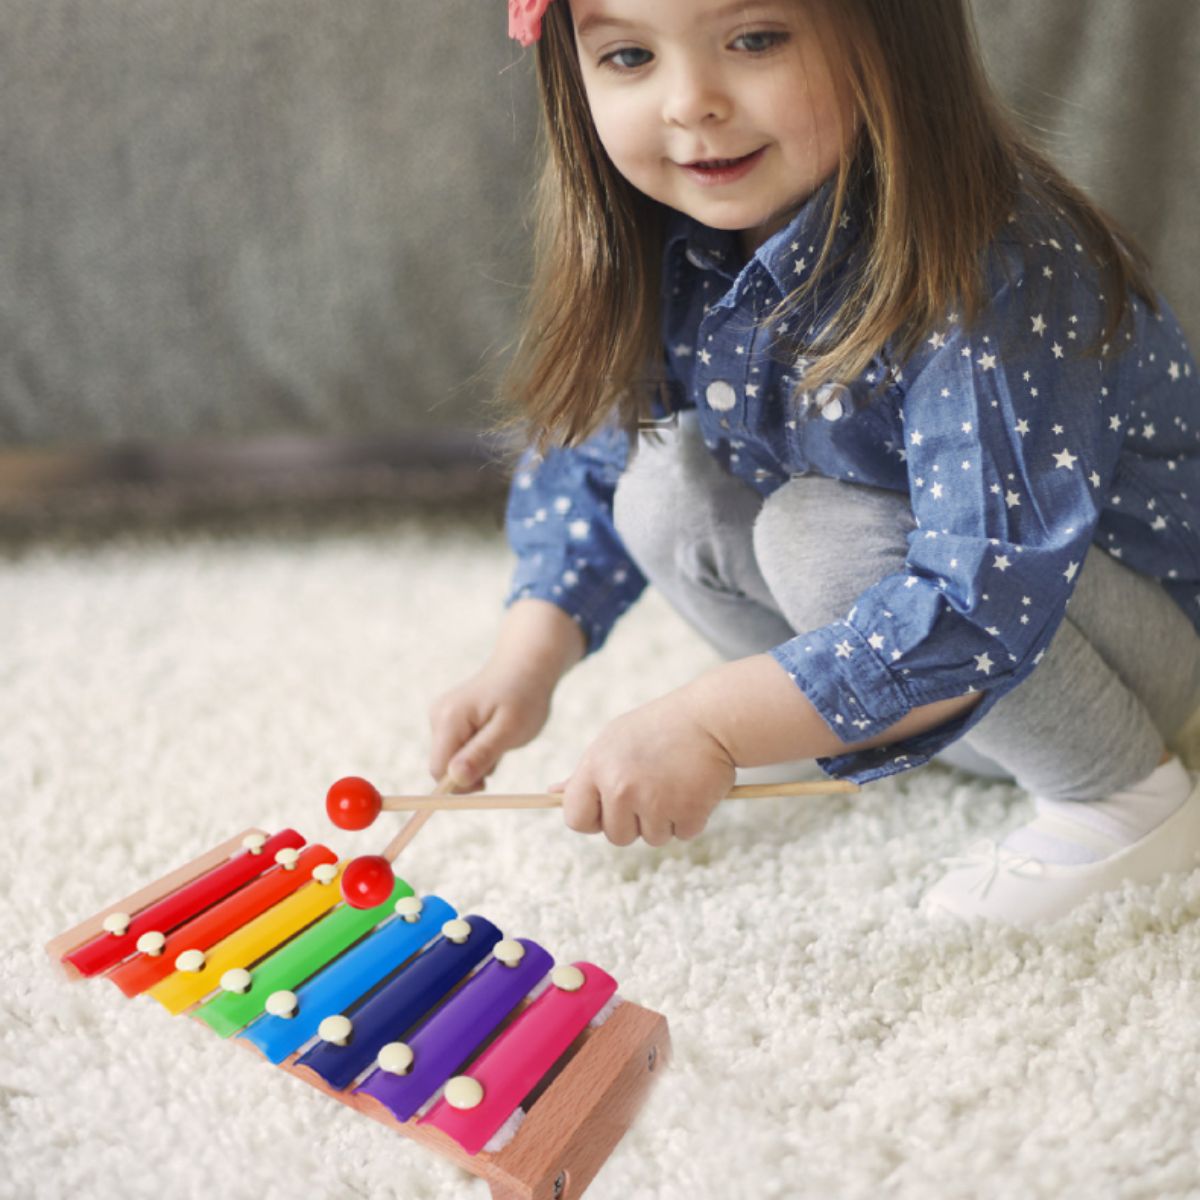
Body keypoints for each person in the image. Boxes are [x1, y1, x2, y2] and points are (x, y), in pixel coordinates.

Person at [429, 0, 1200, 926]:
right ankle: (817, 710)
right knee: (664, 479)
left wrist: (712, 720)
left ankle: (1119, 794)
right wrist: (526, 661)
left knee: (817, 530)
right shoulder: (678, 232)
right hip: (932, 674)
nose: (691, 104)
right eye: (629, 55)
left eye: (754, 41)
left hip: (1124, 653)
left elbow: (983, 591)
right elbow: (593, 456)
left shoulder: (995, 260)